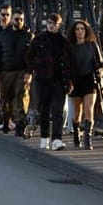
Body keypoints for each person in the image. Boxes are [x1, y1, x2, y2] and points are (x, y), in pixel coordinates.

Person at [26, 13, 72, 151]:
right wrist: (35, 69)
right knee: (44, 110)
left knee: (58, 111)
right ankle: (44, 137)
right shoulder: (39, 40)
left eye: (54, 23)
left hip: (59, 80)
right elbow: (29, 56)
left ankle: (57, 139)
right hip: (43, 80)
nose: (51, 26)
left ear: (59, 25)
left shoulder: (64, 42)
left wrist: (70, 80)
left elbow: (70, 63)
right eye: (49, 23)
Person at [66, 20, 103, 150]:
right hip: (75, 81)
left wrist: (101, 71)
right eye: (77, 29)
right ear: (74, 32)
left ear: (86, 31)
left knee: (88, 109)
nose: (80, 31)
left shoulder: (92, 46)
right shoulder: (70, 47)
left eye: (82, 29)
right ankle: (76, 136)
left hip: (90, 80)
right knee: (77, 112)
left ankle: (88, 139)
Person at [0, 8, 33, 136]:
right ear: (12, 20)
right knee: (5, 99)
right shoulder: (3, 35)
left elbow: (31, 56)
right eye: (17, 19)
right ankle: (6, 121)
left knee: (21, 98)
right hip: (5, 72)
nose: (19, 21)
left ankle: (20, 125)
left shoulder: (28, 36)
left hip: (21, 72)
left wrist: (29, 72)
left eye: (21, 19)